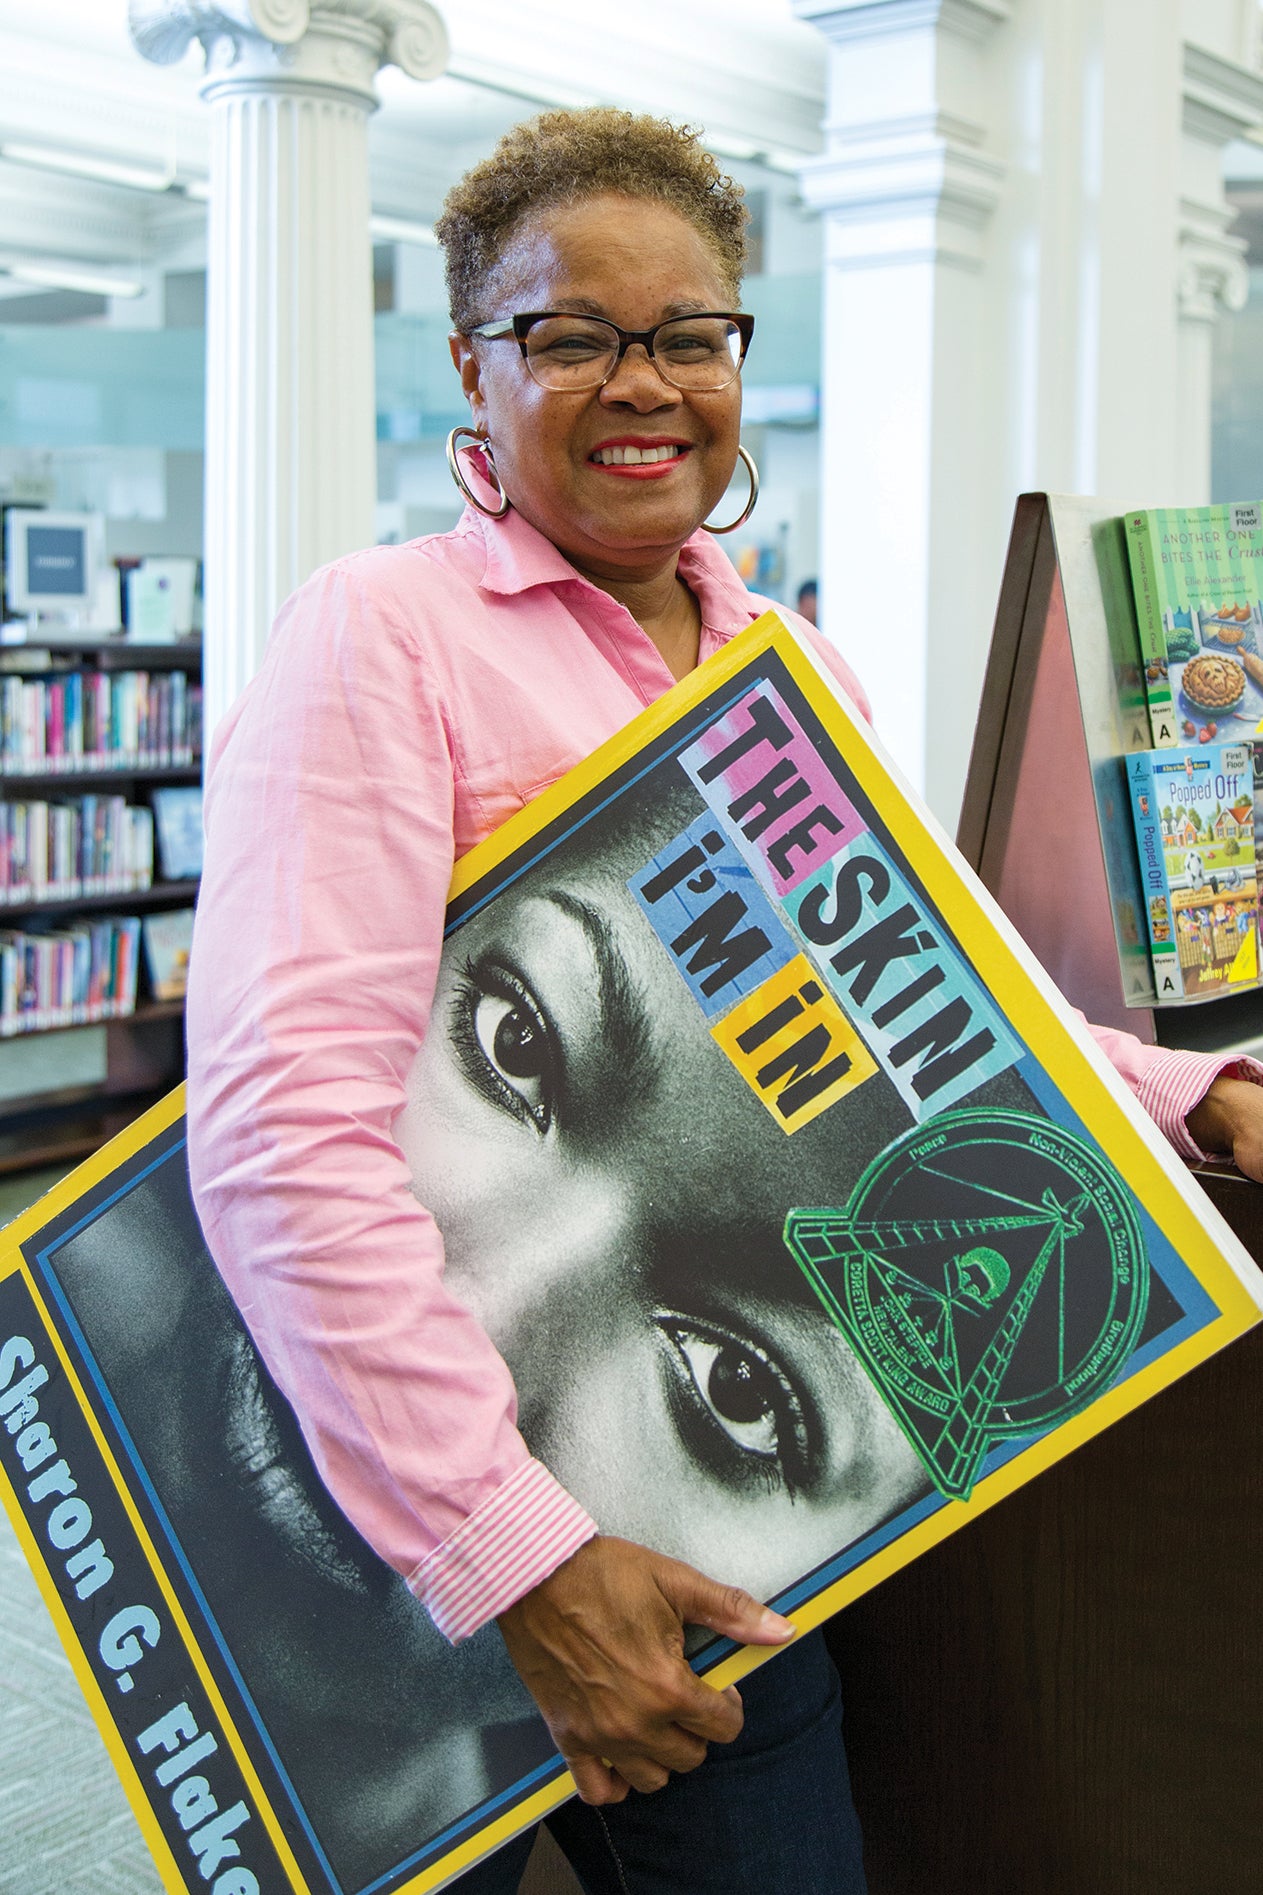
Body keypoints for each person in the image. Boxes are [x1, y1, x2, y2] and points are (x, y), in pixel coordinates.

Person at [186, 107, 1263, 1895]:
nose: (643, 381)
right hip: (528, 1522)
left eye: (689, 334)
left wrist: (1193, 1094)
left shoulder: (783, 659)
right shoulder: (383, 638)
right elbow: (280, 1136)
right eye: (571, 333)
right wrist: (519, 1560)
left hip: (744, 1498)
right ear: (473, 362)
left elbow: (934, 1006)